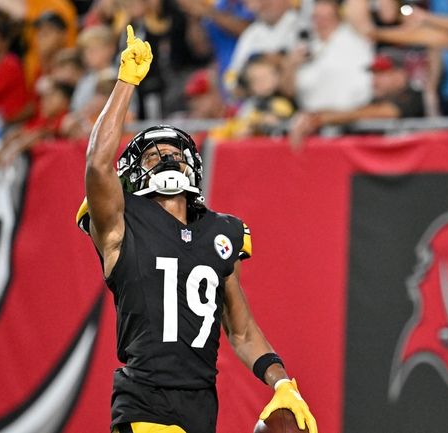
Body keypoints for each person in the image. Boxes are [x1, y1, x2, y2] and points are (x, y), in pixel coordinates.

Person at [76, 25, 318, 433]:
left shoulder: (219, 233)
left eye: (176, 152)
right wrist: (125, 83)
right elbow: (98, 165)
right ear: (134, 172)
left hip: (202, 405)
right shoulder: (122, 222)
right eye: (155, 155)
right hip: (144, 400)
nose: (168, 158)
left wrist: (283, 384)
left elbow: (241, 331)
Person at [289, 52, 424, 145]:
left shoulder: (414, 96)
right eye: (373, 74)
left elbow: (384, 113)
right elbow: (355, 111)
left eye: (382, 74)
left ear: (400, 75)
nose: (374, 80)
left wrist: (322, 119)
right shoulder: (376, 100)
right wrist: (312, 115)